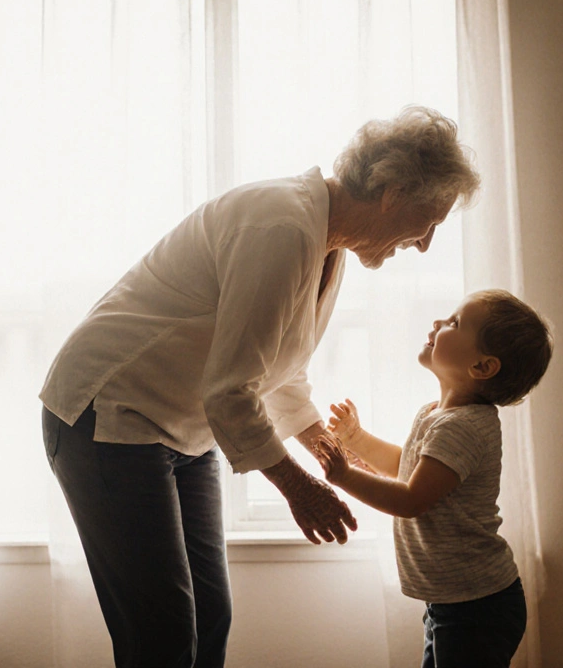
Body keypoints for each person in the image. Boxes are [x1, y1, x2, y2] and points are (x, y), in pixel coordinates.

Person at [39, 106, 482, 668]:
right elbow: (231, 391)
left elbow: (279, 371)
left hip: (183, 432)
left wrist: (329, 450)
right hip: (107, 415)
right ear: (392, 191)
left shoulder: (329, 243)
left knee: (209, 618)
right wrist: (300, 488)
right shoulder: (283, 225)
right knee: (162, 636)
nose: (424, 243)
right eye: (430, 220)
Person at [315, 289, 553, 668]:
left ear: (482, 367)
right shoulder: (436, 415)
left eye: (455, 323)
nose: (439, 324)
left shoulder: (463, 427)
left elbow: (411, 500)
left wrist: (345, 477)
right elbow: (408, 467)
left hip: (477, 607)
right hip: (457, 601)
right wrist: (357, 441)